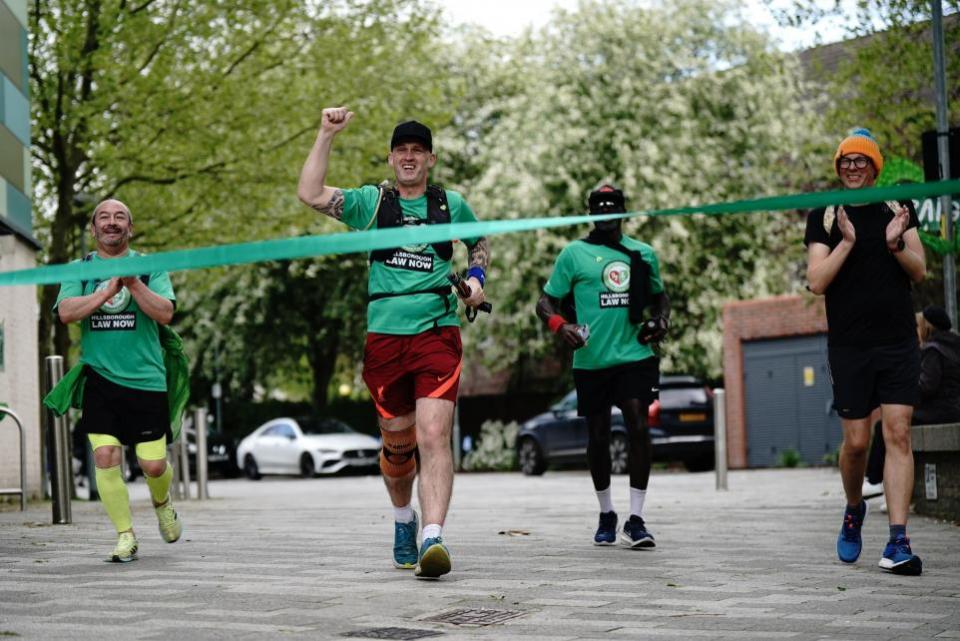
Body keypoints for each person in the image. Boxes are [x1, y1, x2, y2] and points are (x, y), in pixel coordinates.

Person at [297, 108, 489, 579]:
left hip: (437, 333)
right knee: (399, 446)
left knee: (432, 436)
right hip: (384, 338)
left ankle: (433, 538)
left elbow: (480, 240)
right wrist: (326, 133)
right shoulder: (373, 203)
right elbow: (310, 193)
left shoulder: (450, 204)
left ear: (431, 160)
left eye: (417, 151)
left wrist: (477, 279)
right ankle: (404, 519)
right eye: (402, 150)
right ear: (390, 158)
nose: (409, 157)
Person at [805, 128, 926, 575]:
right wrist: (849, 241)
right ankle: (854, 507)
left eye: (861, 161)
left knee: (898, 433)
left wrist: (895, 242)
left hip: (897, 341)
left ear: (875, 167)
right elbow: (817, 281)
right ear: (838, 167)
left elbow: (918, 271)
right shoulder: (826, 213)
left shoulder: (899, 209)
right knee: (857, 442)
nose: (852, 167)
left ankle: (898, 541)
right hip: (850, 345)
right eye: (846, 161)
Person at [535, 184, 669, 548]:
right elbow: (545, 302)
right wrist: (560, 326)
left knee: (639, 426)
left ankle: (637, 519)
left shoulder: (642, 254)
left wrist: (661, 321)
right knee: (598, 437)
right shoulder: (573, 254)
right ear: (590, 212)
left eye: (613, 206)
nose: (606, 212)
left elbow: (660, 299)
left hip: (635, 357)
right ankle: (607, 512)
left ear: (623, 211)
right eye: (600, 207)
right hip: (591, 360)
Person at [54, 199, 182, 562]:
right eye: (104, 218)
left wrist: (133, 284)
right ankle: (126, 535)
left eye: (120, 217)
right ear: (93, 229)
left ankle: (162, 503)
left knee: (153, 465)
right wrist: (106, 292)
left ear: (130, 227)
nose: (112, 223)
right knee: (106, 455)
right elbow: (66, 313)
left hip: (145, 379)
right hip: (100, 378)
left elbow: (166, 313)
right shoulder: (78, 270)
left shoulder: (149, 267)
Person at [864, 305, 960, 497]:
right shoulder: (954, 345)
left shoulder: (933, 349)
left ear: (927, 326)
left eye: (917, 326)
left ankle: (876, 481)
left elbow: (927, 386)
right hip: (952, 408)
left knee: (888, 424)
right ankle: (894, 489)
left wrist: (903, 389)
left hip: (940, 411)